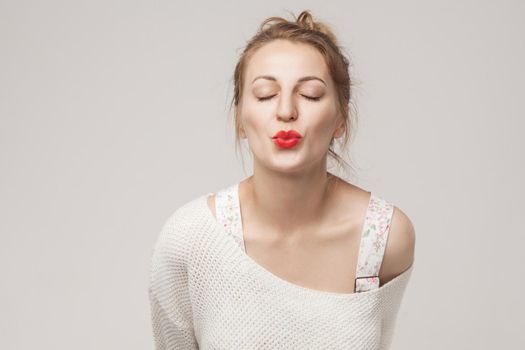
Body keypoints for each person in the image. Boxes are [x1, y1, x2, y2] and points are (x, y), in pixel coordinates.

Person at [149, 10, 415, 349]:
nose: (286, 111)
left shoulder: (384, 238)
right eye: (264, 94)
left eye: (310, 95)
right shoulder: (189, 239)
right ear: (240, 120)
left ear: (341, 119)